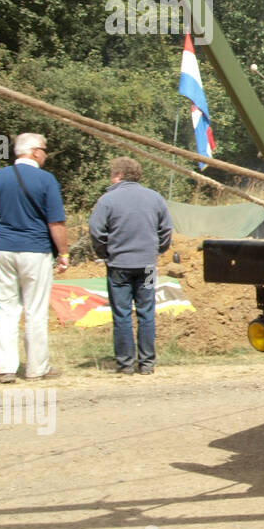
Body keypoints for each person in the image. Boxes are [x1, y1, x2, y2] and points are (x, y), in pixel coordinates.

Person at [0, 133, 69, 384]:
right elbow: (56, 222)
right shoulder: (46, 180)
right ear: (35, 151)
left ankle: (4, 368)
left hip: (4, 249)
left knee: (5, 309)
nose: (46, 155)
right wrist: (64, 254)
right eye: (45, 150)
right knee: (35, 310)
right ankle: (37, 368)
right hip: (36, 251)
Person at [88, 156, 173, 375]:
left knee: (122, 314)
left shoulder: (107, 200)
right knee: (146, 312)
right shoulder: (155, 198)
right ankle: (147, 363)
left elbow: (96, 231)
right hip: (146, 266)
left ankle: (125, 363)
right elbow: (166, 230)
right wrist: (157, 250)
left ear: (118, 175)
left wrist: (105, 252)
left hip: (119, 266)